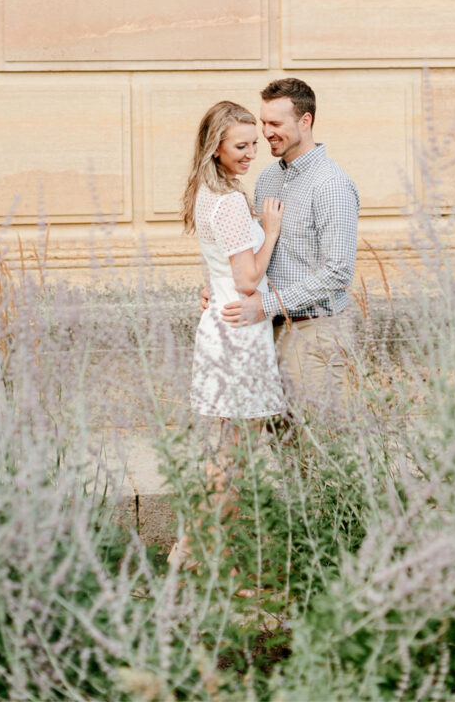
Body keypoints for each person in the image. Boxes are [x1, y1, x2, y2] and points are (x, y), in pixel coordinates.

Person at [168, 100, 286, 572]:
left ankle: (200, 553)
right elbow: (247, 281)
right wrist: (271, 230)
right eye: (240, 146)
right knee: (235, 458)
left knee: (226, 452)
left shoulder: (205, 193)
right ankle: (209, 556)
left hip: (221, 323)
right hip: (240, 330)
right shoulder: (233, 202)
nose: (251, 153)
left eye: (254, 143)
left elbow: (218, 271)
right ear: (215, 147)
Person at [220, 78, 360, 417]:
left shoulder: (331, 184)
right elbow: (252, 252)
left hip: (314, 334)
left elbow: (337, 272)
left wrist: (266, 305)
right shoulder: (268, 178)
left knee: (319, 451)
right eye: (263, 122)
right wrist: (221, 288)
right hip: (267, 331)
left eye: (275, 123)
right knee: (282, 450)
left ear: (305, 121)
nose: (266, 132)